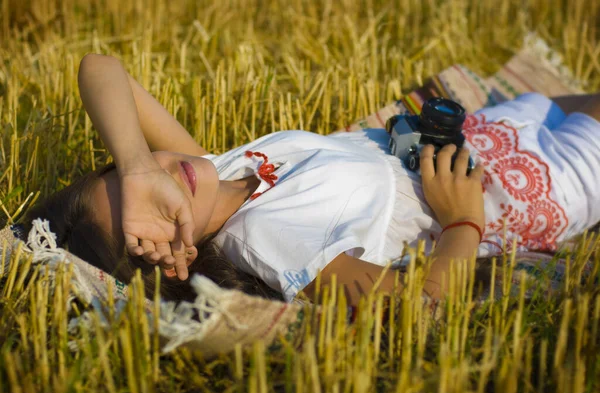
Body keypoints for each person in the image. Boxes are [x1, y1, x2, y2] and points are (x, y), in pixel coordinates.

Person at [22, 54, 600, 306]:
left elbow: (101, 67)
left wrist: (138, 164)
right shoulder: (271, 239)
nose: (163, 183)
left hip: (489, 131)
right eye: (147, 211)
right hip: (529, 188)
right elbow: (421, 307)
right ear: (171, 259)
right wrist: (464, 220)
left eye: (125, 178)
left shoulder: (213, 169)